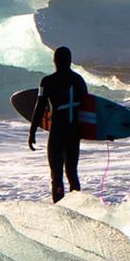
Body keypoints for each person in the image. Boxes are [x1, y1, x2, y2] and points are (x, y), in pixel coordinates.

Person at [28, 46, 88, 203]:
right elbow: (88, 109)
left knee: (56, 174)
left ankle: (60, 208)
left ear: (54, 61)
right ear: (70, 61)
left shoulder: (47, 81)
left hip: (57, 132)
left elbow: (39, 107)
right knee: (72, 173)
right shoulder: (79, 80)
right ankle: (78, 208)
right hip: (74, 132)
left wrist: (32, 131)